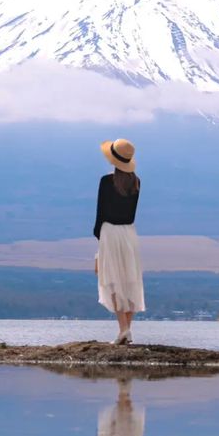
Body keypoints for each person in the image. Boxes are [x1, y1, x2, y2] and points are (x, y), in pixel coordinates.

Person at [93, 138, 145, 345]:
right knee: (130, 280)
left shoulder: (106, 181)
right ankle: (126, 331)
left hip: (110, 233)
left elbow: (101, 212)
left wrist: (98, 238)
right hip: (129, 234)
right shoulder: (136, 182)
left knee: (113, 281)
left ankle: (124, 329)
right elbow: (132, 213)